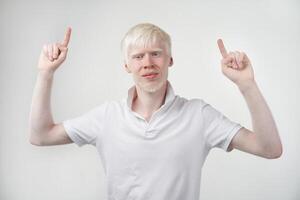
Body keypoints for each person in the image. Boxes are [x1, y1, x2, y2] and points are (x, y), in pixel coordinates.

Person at [29, 23, 282, 200]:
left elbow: (269, 148)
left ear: (170, 59)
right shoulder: (107, 117)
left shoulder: (199, 115)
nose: (148, 63)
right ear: (126, 65)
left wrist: (246, 84)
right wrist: (45, 74)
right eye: (138, 56)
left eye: (156, 54)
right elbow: (41, 136)